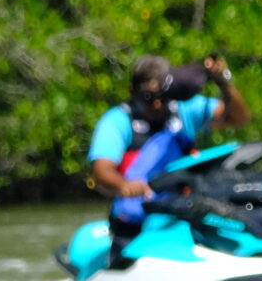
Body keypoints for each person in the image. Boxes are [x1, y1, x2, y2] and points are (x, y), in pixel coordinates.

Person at [86, 53, 249, 238]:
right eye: (148, 97)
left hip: (182, 218)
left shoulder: (183, 109)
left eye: (163, 96)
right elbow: (102, 171)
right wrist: (124, 185)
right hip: (136, 225)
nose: (157, 103)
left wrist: (224, 83)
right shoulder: (117, 121)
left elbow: (238, 118)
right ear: (132, 91)